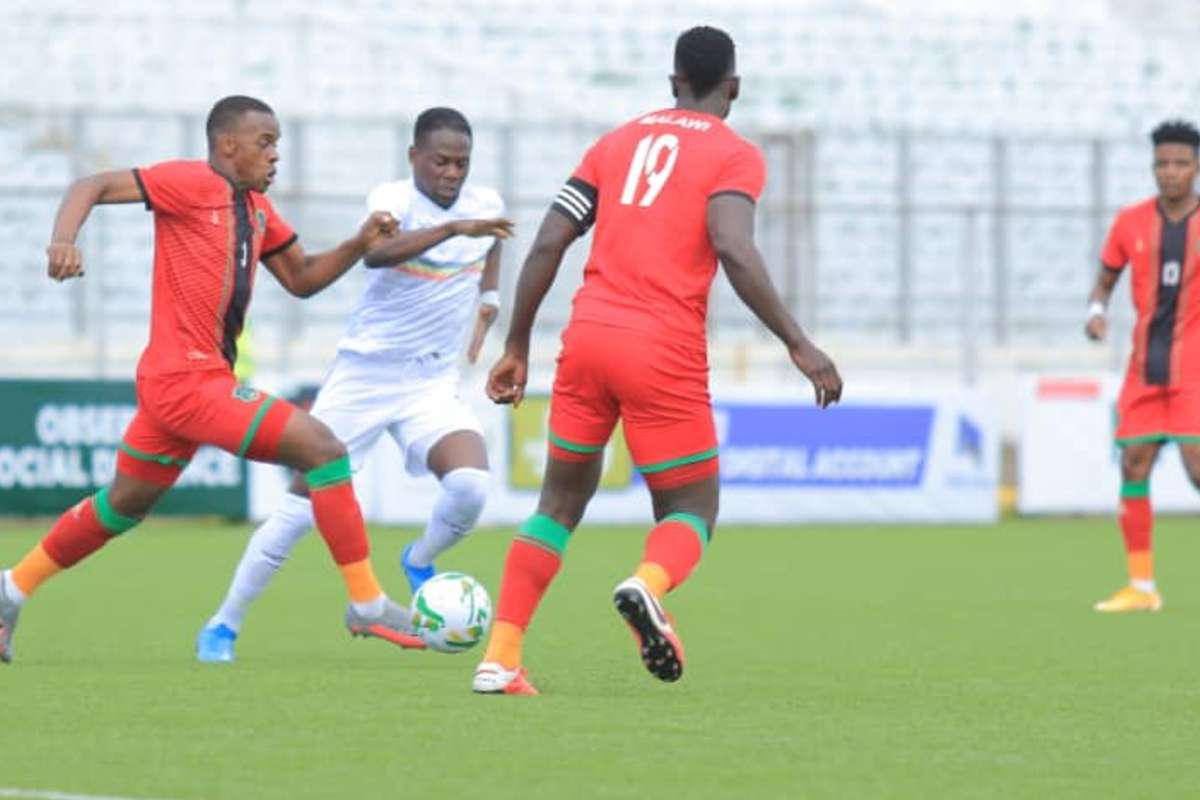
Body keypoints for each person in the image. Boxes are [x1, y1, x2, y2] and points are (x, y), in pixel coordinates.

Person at [472, 26, 843, 695]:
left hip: (587, 339)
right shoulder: (734, 155)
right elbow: (732, 245)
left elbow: (550, 242)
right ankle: (646, 585)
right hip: (660, 347)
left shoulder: (615, 143)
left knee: (557, 504)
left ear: (674, 81)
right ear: (733, 87)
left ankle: (499, 658)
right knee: (691, 507)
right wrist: (797, 341)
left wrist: (516, 345)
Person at [0, 95, 415, 664]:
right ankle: (366, 603)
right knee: (324, 450)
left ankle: (10, 589)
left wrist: (358, 244)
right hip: (188, 380)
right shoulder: (191, 183)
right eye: (265, 143)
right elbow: (90, 185)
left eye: (277, 144)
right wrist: (64, 240)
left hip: (178, 383)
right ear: (227, 145)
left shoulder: (259, 210)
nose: (275, 155)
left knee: (122, 506)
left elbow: (301, 278)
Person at [195, 107, 513, 662]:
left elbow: (492, 243)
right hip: (364, 376)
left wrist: (489, 299)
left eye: (461, 163)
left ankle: (418, 560)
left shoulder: (485, 204)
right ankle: (224, 624)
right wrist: (450, 229)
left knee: (470, 486)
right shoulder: (392, 200)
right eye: (440, 161)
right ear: (414, 157)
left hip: (430, 380)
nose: (451, 173)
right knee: (298, 512)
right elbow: (376, 254)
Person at [1087, 119, 1200, 613]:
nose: (1170, 172)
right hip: (1144, 368)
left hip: (1194, 369)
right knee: (1134, 462)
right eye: (1162, 164)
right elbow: (1106, 278)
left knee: (1197, 469)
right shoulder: (1130, 221)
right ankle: (1142, 586)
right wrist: (1096, 311)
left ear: (1196, 167)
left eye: (1180, 163)